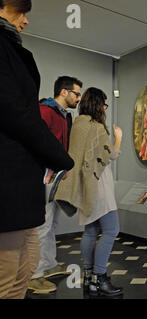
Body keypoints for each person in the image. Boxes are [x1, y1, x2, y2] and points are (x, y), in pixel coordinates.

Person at [0, 0, 74, 299]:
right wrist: (59, 159)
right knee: (8, 275)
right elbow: (17, 113)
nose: (25, 21)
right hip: (9, 181)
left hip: (24, 180)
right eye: (21, 11)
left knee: (25, 267)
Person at [54, 87, 123, 297]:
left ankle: (89, 278)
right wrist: (118, 137)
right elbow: (112, 154)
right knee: (111, 230)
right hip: (98, 184)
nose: (104, 108)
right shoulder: (96, 127)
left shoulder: (78, 124)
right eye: (103, 103)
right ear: (97, 104)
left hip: (84, 185)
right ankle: (100, 278)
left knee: (91, 232)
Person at [28, 76, 83, 294]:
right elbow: (39, 142)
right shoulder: (44, 111)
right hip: (42, 175)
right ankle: (35, 275)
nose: (79, 98)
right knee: (41, 225)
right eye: (76, 94)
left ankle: (49, 264)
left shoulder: (64, 116)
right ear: (63, 92)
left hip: (55, 175)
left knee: (51, 223)